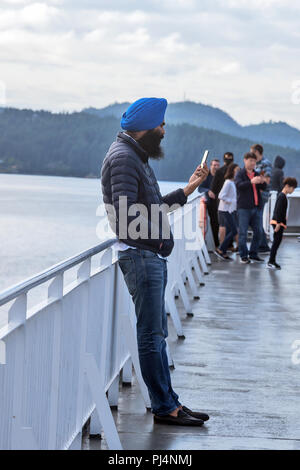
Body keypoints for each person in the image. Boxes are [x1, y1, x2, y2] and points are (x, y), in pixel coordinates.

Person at [101, 97, 210, 426]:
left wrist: (189, 188)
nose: (164, 131)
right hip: (140, 255)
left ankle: (170, 401)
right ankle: (165, 408)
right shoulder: (123, 159)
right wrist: (160, 240)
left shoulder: (134, 157)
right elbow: (123, 217)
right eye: (160, 125)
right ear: (146, 127)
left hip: (147, 254)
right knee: (151, 334)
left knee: (157, 333)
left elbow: (150, 208)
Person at [235, 152, 268, 264]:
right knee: (243, 233)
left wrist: (263, 181)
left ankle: (253, 254)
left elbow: (263, 187)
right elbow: (239, 186)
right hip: (244, 208)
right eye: (250, 160)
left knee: (258, 232)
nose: (253, 163)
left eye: (254, 161)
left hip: (256, 207)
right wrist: (250, 182)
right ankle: (244, 255)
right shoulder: (240, 173)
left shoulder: (256, 173)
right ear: (245, 160)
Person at [267, 177, 298, 269]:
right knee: (276, 242)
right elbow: (278, 211)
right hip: (277, 223)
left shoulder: (282, 196)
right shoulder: (282, 196)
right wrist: (278, 223)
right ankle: (270, 261)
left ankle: (272, 260)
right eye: (293, 188)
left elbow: (279, 211)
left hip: (278, 222)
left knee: (277, 242)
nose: (293, 191)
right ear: (287, 186)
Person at [214, 163, 240, 260]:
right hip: (225, 210)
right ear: (232, 171)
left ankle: (222, 250)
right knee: (234, 230)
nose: (238, 172)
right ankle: (221, 249)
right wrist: (232, 201)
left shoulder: (233, 182)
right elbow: (221, 196)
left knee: (231, 230)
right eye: (236, 170)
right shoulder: (228, 182)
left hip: (230, 210)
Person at [209, 152, 234, 248]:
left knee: (223, 225)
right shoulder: (228, 171)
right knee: (226, 224)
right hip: (223, 202)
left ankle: (223, 245)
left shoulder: (222, 171)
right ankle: (225, 245)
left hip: (224, 201)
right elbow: (213, 187)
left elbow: (213, 188)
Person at [251, 144, 272, 254]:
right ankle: (263, 244)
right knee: (256, 219)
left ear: (257, 152)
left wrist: (257, 180)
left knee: (257, 218)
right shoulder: (256, 164)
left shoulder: (265, 163)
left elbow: (267, 179)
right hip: (255, 194)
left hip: (262, 194)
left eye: (252, 152)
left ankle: (263, 245)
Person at [198, 159, 220, 247]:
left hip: (221, 202)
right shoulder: (207, 176)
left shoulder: (220, 175)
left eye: (217, 165)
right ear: (211, 166)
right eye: (214, 165)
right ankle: (216, 244)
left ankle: (225, 244)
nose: (216, 167)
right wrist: (208, 191)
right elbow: (200, 189)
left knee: (223, 223)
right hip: (211, 203)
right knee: (214, 223)